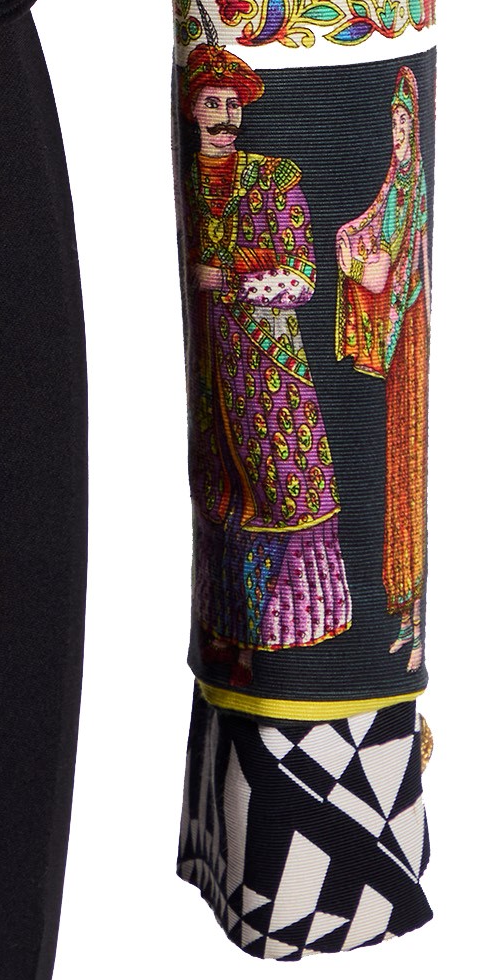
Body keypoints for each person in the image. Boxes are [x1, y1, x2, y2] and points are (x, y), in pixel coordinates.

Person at [181, 44, 352, 677]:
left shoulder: (273, 179)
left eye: (233, 105)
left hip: (270, 371)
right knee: (221, 495)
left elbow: (303, 278)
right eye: (213, 103)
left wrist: (228, 278)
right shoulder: (189, 176)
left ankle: (287, 649)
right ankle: (233, 640)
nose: (226, 117)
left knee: (282, 491)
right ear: (193, 110)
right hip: (212, 367)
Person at [337, 63, 432, 672]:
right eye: (393, 122)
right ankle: (402, 619)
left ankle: (412, 624)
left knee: (405, 479)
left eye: (404, 123)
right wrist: (352, 249)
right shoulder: (394, 185)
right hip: (398, 350)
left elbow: (388, 271)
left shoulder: (413, 187)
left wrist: (360, 263)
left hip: (408, 344)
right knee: (394, 480)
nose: (397, 132)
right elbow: (363, 231)